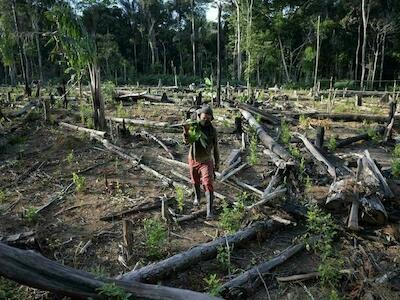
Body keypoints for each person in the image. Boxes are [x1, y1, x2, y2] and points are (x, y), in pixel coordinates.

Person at [183, 105, 220, 219]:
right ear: (199, 116)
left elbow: (216, 148)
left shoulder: (212, 131)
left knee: (208, 183)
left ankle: (209, 211)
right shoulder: (194, 127)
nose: (206, 120)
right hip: (193, 159)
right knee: (195, 181)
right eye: (204, 117)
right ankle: (197, 197)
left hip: (206, 160)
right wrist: (185, 130)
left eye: (209, 118)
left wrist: (217, 163)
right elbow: (187, 141)